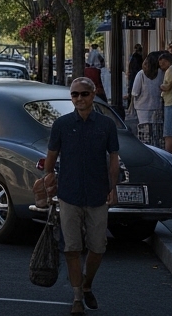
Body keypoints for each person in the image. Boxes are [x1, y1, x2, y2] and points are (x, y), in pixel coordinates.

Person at [43, 77, 119, 315]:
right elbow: (50, 159)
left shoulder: (106, 125)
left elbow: (114, 158)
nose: (79, 99)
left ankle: (87, 284)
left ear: (93, 95)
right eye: (74, 95)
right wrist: (49, 179)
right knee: (72, 248)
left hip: (98, 195)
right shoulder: (61, 125)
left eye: (83, 94)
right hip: (69, 195)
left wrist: (112, 187)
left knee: (98, 248)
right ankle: (77, 297)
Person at [131, 52, 164, 147]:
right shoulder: (161, 73)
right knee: (156, 133)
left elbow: (135, 92)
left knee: (144, 133)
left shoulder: (141, 74)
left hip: (142, 108)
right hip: (157, 106)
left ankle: (146, 150)